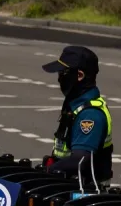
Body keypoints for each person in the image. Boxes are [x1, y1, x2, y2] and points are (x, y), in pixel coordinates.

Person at [43, 45, 113, 189]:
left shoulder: (90, 114)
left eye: (63, 73)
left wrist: (49, 171)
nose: (59, 79)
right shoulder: (74, 103)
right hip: (67, 184)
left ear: (79, 75)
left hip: (84, 191)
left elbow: (79, 160)